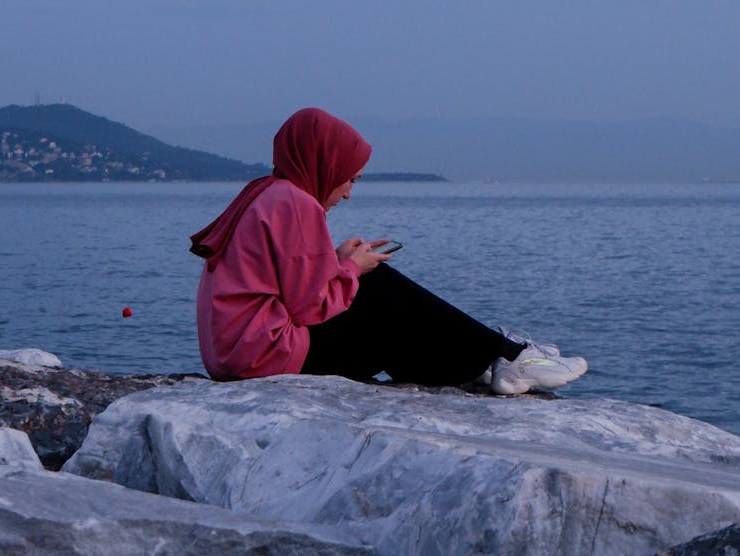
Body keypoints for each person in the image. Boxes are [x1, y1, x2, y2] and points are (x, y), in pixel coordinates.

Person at [190, 107, 587, 395]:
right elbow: (309, 308)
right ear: (323, 165)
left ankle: (484, 364)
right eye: (348, 180)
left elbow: (287, 285)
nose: (347, 193)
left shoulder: (266, 192)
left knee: (383, 314)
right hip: (265, 358)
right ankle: (508, 356)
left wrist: (337, 262)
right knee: (379, 287)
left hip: (238, 356)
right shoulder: (296, 202)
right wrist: (351, 270)